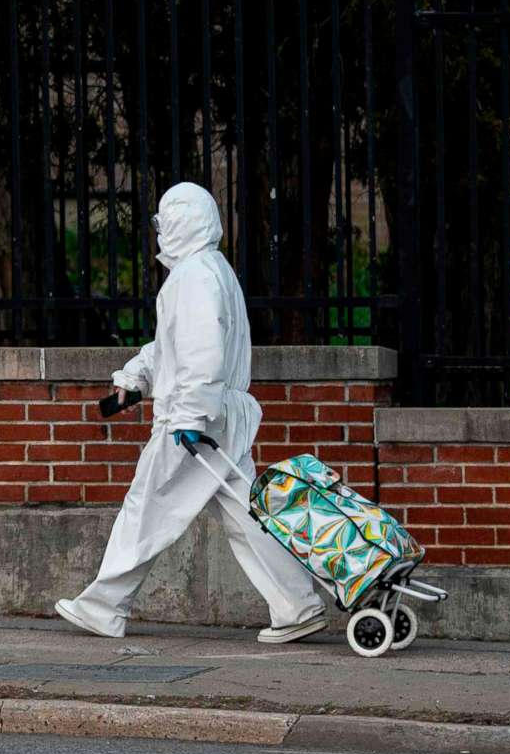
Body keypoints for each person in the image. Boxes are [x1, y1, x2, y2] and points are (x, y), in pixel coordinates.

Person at [54, 182, 328, 644]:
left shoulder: (195, 276)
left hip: (194, 418)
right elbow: (173, 347)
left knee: (147, 508)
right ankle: (297, 605)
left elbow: (201, 353)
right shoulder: (209, 270)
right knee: (246, 514)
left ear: (180, 221)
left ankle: (103, 606)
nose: (160, 231)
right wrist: (136, 378)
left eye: (164, 221)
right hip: (215, 415)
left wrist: (189, 417)